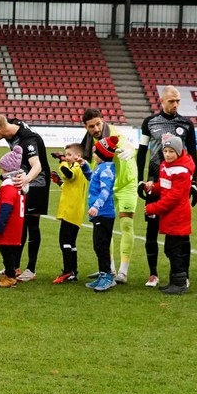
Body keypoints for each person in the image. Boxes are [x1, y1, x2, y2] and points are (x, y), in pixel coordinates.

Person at [0, 108, 51, 281]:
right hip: (22, 180)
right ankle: (13, 267)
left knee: (32, 224)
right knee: (20, 224)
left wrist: (26, 180)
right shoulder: (9, 125)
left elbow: (37, 166)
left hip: (37, 182)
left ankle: (30, 269)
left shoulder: (27, 140)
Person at [138, 85, 197, 287]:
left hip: (178, 182)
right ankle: (153, 274)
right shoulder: (149, 123)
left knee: (180, 231)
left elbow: (193, 155)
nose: (175, 104)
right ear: (162, 101)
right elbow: (141, 152)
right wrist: (141, 180)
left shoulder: (186, 124)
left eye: (178, 101)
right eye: (171, 101)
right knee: (152, 228)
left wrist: (195, 183)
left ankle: (184, 274)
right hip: (155, 182)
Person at [80, 109, 137, 283]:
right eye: (91, 126)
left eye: (98, 124)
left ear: (103, 121)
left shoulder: (114, 133)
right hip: (108, 186)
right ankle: (109, 268)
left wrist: (130, 151)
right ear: (86, 127)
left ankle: (123, 271)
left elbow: (127, 144)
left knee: (126, 223)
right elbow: (91, 161)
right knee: (105, 226)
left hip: (127, 183)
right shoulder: (89, 140)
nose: (96, 128)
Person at [145, 133, 195, 294]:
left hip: (178, 215)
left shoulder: (181, 171)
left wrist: (153, 208)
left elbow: (174, 197)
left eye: (171, 151)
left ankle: (180, 282)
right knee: (171, 249)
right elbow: (166, 186)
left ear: (179, 151)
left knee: (173, 249)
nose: (167, 154)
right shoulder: (166, 166)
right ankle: (175, 280)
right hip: (172, 216)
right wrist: (154, 187)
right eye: (166, 151)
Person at [50, 143, 89, 284]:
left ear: (77, 156)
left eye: (68, 155)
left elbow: (70, 175)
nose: (66, 157)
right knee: (71, 242)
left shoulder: (77, 167)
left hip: (71, 209)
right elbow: (71, 186)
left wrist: (61, 160)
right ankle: (73, 271)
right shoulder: (78, 167)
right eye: (66, 155)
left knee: (64, 240)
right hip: (76, 209)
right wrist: (58, 182)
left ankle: (67, 271)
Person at [0, 146, 28, 288]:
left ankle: (11, 277)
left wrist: (0, 225)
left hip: (9, 225)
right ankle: (9, 274)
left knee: (6, 251)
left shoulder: (7, 186)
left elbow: (6, 206)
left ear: (6, 169)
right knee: (10, 251)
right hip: (17, 224)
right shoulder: (19, 185)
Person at [86, 137, 118, 292]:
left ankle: (107, 276)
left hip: (104, 214)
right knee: (98, 245)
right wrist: (84, 167)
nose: (93, 155)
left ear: (102, 154)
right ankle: (103, 274)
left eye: (95, 153)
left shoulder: (106, 169)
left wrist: (96, 206)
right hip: (100, 214)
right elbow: (93, 180)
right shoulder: (100, 167)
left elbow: (105, 191)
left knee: (102, 245)